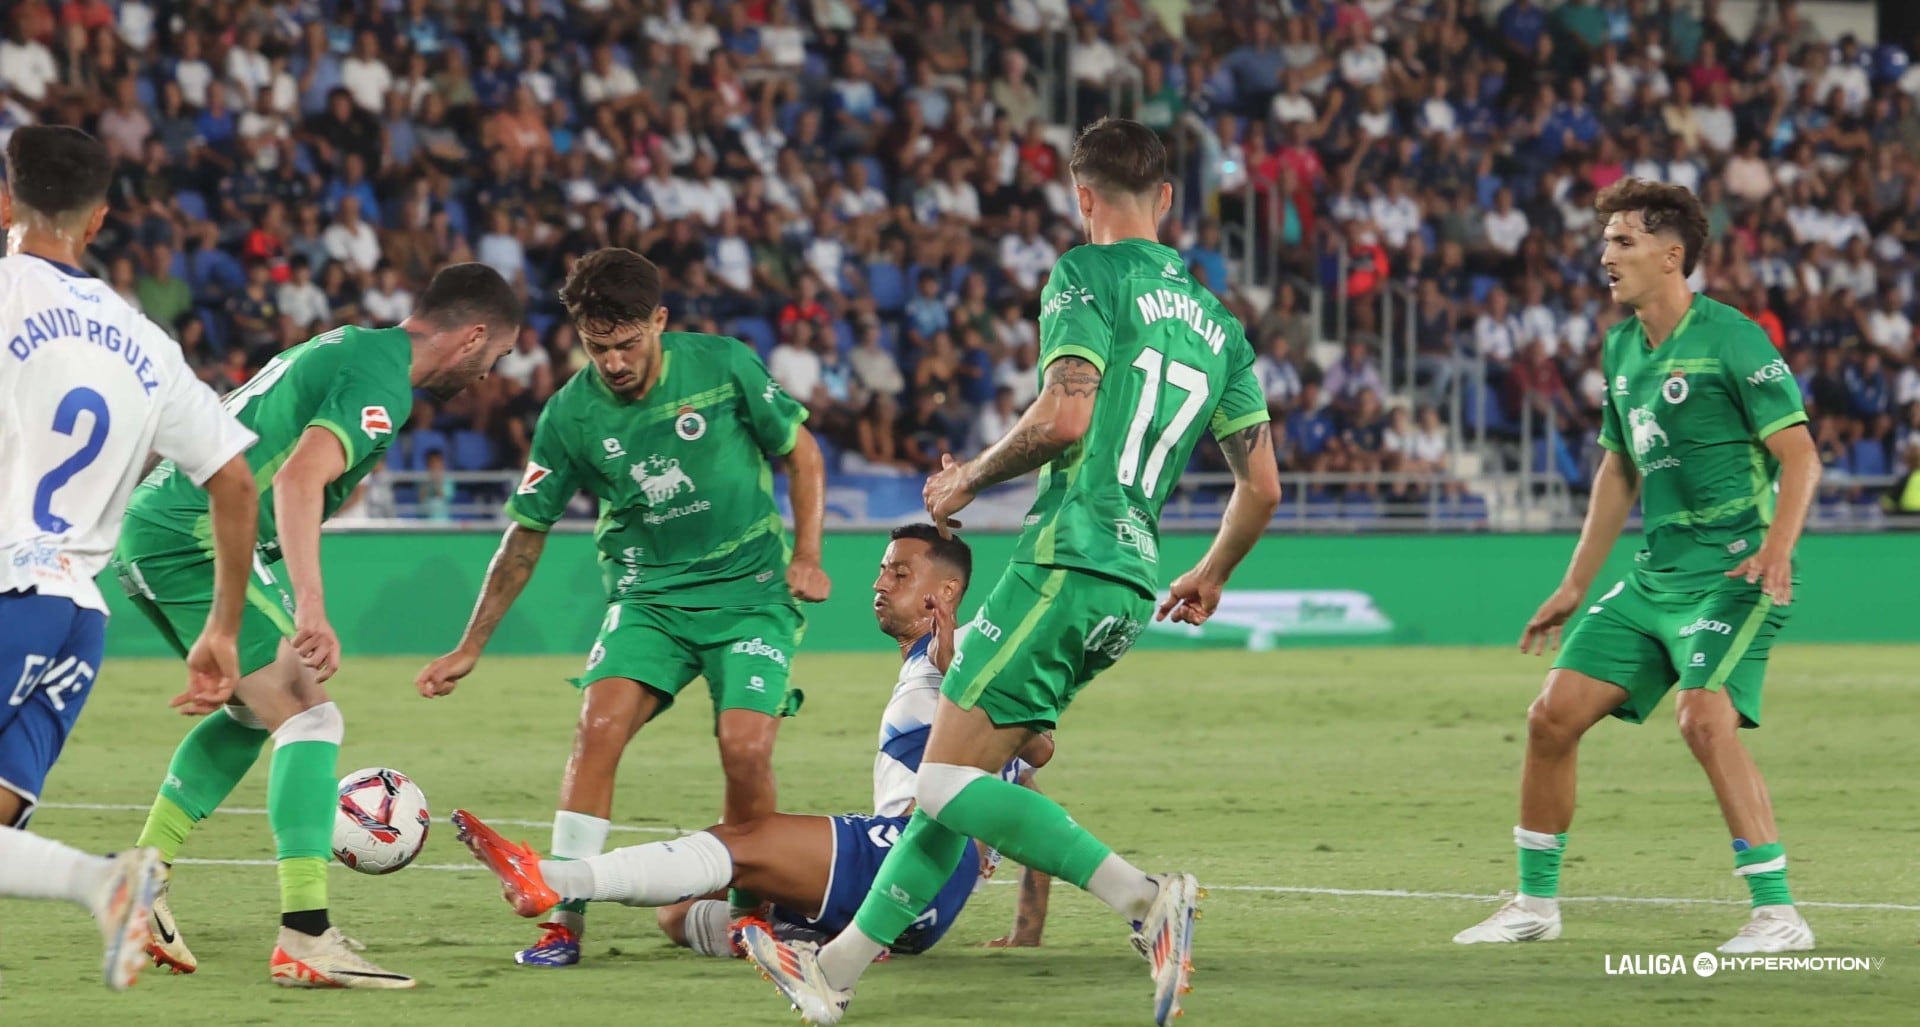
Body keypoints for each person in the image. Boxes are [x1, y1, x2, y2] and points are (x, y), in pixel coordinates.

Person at [743, 117, 1282, 1026]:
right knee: (949, 793)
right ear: (1165, 199)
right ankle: (832, 973)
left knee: (944, 785)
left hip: (1066, 556)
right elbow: (1260, 486)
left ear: (1080, 195)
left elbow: (1065, 417)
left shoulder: (1085, 274)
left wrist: (966, 477)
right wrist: (1213, 571)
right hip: (1130, 579)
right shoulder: (1223, 330)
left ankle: (1147, 900)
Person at [414, 247, 833, 968]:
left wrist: (808, 554)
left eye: (627, 342)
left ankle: (748, 913)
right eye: (596, 345)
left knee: (745, 746)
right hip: (649, 599)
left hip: (748, 594)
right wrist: (470, 643)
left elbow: (804, 455)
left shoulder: (726, 366)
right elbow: (525, 536)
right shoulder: (570, 415)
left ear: (659, 321)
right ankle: (561, 921)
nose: (612, 360)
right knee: (598, 725)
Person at [114, 262, 524, 989]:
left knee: (253, 716)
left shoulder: (356, 350)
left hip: (172, 525)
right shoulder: (382, 380)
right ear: (474, 335)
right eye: (498, 355)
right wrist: (310, 604)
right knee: (311, 715)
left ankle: (139, 884)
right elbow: (298, 480)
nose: (492, 374)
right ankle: (306, 935)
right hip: (192, 536)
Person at [1453, 179, 1821, 954]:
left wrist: (1778, 545)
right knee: (1550, 716)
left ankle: (1778, 913)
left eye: (1623, 241)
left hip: (1733, 571)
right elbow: (1619, 470)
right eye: (1606, 240)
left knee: (1703, 716)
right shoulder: (1621, 346)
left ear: (1671, 255)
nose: (1605, 255)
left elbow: (1800, 454)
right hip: (1654, 577)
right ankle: (1533, 904)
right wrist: (1574, 584)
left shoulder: (1735, 338)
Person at [448, 525, 1052, 959]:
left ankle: (554, 879)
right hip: (905, 892)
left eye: (900, 572)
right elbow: (1029, 782)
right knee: (679, 912)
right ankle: (810, 946)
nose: (880, 581)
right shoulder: (934, 660)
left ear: (945, 594)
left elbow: (1040, 742)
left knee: (744, 839)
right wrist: (1029, 925)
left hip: (913, 860)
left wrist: (961, 668)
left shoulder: (972, 646)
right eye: (882, 568)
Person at [0, 125, 259, 993]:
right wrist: (222, 628)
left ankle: (104, 880)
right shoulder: (147, 342)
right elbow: (235, 482)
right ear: (101, 218)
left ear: (6, 200)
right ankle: (103, 881)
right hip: (77, 617)